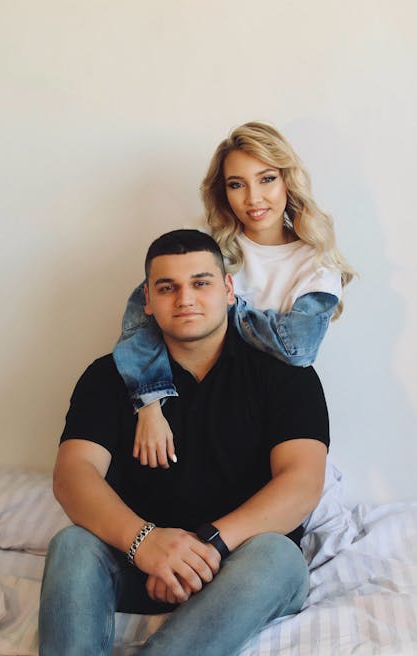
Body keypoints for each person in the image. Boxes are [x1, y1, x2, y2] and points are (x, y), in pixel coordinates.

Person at [0, 229, 329, 656]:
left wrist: (205, 550)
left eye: (200, 282)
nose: (185, 298)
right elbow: (73, 473)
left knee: (280, 556)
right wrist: (144, 543)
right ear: (146, 299)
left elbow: (302, 482)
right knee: (73, 543)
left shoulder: (285, 375)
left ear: (228, 289)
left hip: (239, 567)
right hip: (139, 560)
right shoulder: (108, 377)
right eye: (167, 287)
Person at [113, 122, 355, 470]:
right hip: (189, 402)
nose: (253, 198)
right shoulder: (203, 245)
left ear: (288, 179)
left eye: (267, 179)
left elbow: (298, 349)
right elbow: (144, 317)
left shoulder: (316, 264)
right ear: (223, 192)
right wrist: (149, 405)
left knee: (314, 507)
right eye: (237, 185)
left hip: (272, 410)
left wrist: (226, 304)